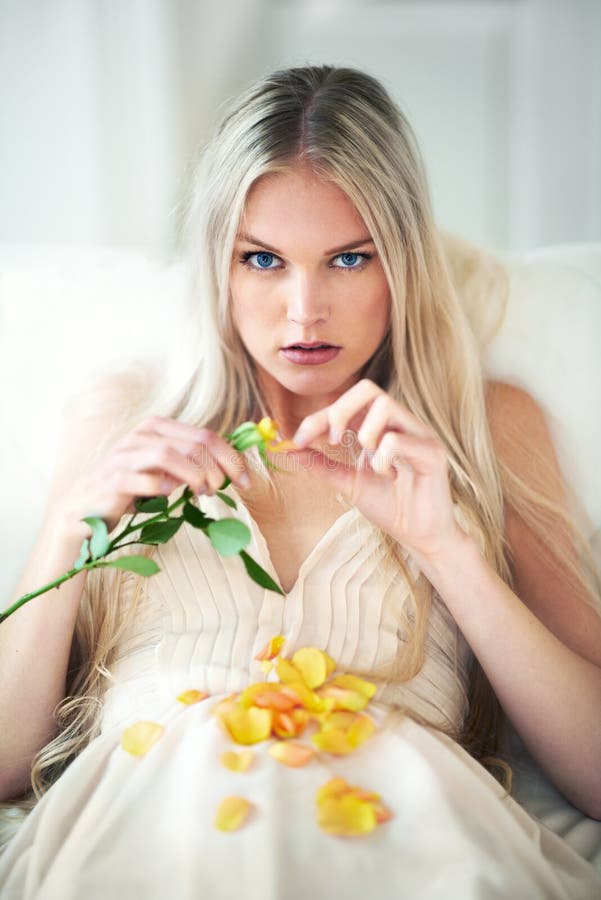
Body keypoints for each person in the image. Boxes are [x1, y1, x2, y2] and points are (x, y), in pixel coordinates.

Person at [0, 63, 600, 899]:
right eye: (263, 259)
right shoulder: (123, 416)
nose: (303, 311)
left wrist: (445, 548)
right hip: (148, 843)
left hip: (405, 844)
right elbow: (4, 764)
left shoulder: (485, 424)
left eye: (349, 259)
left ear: (403, 263)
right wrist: (68, 530)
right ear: (219, 261)